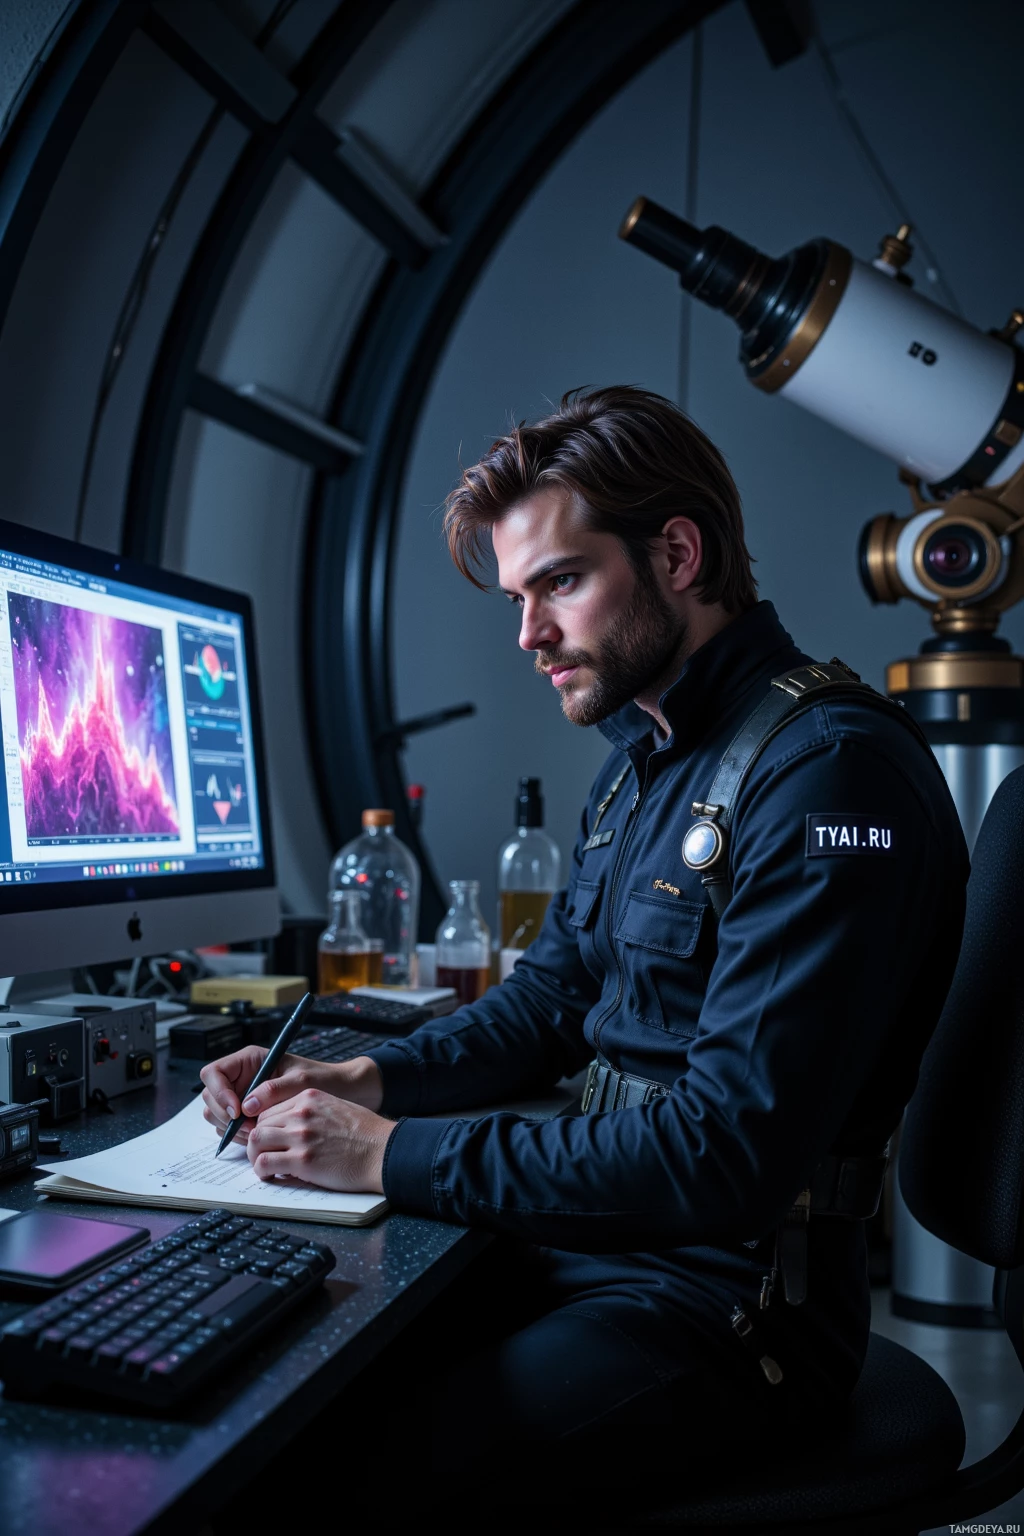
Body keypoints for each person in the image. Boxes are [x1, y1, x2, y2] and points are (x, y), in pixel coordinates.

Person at [202, 386, 968, 1517]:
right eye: (519, 597)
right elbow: (551, 1000)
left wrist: (387, 1153)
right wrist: (367, 1078)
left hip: (732, 1304)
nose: (528, 636)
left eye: (559, 583)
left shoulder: (823, 774)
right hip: (603, 1245)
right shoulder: (643, 760)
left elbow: (724, 1156)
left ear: (676, 553)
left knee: (343, 1473)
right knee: (270, 1381)